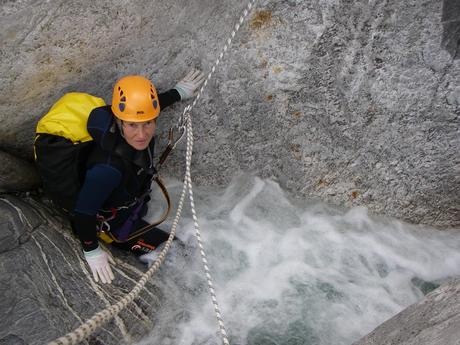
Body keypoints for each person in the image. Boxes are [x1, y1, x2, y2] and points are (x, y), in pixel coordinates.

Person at [72, 70, 205, 284]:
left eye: (148, 124)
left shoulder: (134, 120)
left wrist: (178, 93)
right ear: (119, 121)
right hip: (116, 226)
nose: (142, 134)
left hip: (134, 204)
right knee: (181, 255)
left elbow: (149, 109)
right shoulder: (107, 169)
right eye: (132, 125)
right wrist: (91, 250)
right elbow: (83, 212)